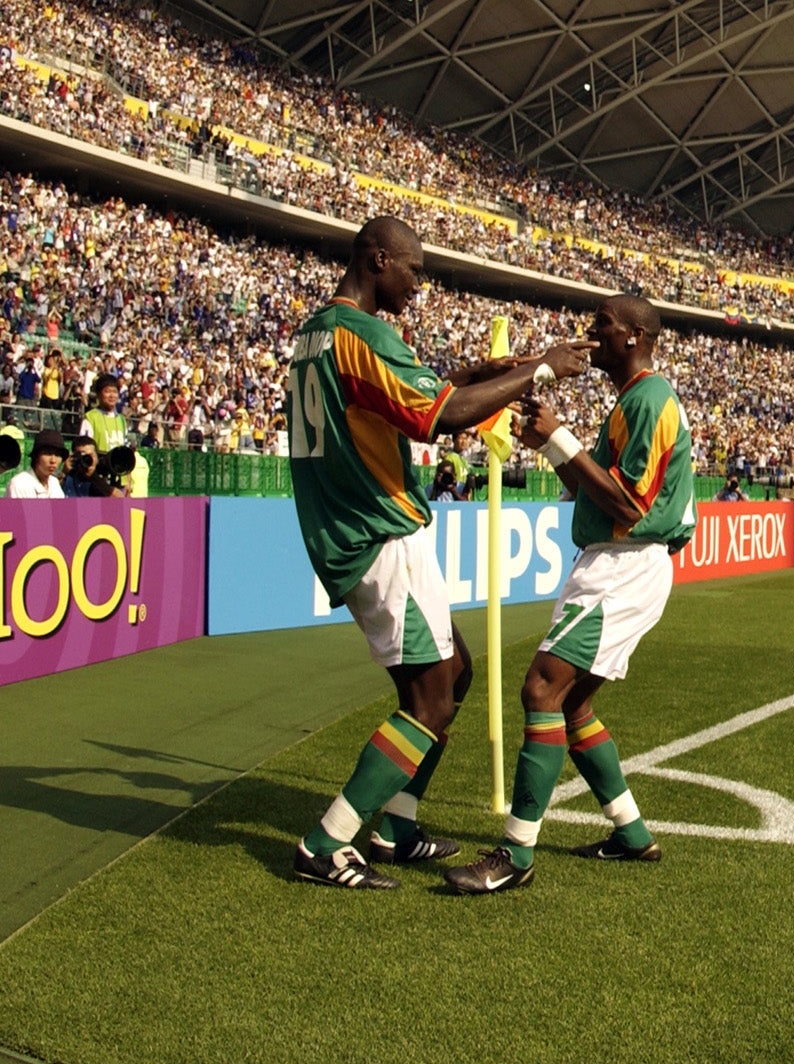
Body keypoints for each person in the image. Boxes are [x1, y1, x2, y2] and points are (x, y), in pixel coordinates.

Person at [285, 216, 592, 891]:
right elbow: (439, 417)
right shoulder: (361, 334)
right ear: (377, 259)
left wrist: (473, 375)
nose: (418, 285)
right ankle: (327, 841)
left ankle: (396, 824)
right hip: (378, 530)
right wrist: (539, 368)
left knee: (453, 674)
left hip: (355, 527)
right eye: (413, 270)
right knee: (431, 700)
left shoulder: (316, 334)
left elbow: (395, 402)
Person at [446, 293, 694, 894]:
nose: (591, 332)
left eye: (603, 324)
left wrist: (562, 438)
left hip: (624, 565)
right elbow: (594, 489)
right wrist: (550, 443)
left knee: (541, 687)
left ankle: (516, 855)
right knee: (573, 704)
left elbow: (629, 506)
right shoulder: (632, 401)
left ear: (634, 335)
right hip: (614, 562)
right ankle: (632, 834)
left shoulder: (650, 401)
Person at [7, 428, 66, 499]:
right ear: (36, 456)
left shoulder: (54, 483)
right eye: (47, 453)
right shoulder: (19, 484)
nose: (53, 460)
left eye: (58, 455)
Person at [79, 374, 128, 456]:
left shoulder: (121, 420)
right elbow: (84, 450)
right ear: (98, 394)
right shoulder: (90, 417)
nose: (112, 396)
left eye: (114, 392)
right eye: (107, 391)